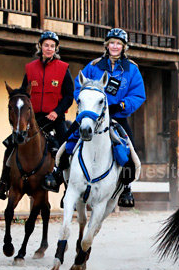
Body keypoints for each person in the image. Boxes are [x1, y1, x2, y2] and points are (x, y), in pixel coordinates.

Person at [43, 28, 146, 207]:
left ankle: (126, 188)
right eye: (112, 43)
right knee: (67, 142)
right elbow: (78, 87)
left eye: (118, 44)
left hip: (117, 117)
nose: (115, 47)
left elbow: (138, 95)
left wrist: (121, 105)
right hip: (90, 116)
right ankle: (59, 175)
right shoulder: (93, 66)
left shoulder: (132, 69)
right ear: (107, 45)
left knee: (130, 149)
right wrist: (87, 104)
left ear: (124, 47)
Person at [0, 31, 74, 200]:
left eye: (52, 46)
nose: (49, 49)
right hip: (34, 120)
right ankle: (3, 183)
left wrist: (56, 112)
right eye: (46, 45)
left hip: (55, 118)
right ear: (40, 47)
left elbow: (69, 96)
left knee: (66, 149)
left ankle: (68, 188)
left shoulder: (63, 68)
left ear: (56, 49)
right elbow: (23, 94)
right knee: (10, 145)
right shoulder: (30, 68)